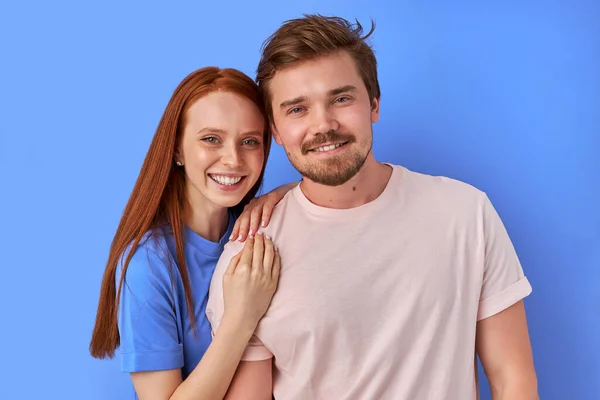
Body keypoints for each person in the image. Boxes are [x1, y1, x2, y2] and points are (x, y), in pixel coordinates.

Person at [206, 15, 539, 400]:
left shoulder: (466, 213)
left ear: (374, 104)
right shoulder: (249, 259)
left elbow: (513, 379)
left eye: (341, 99)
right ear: (276, 131)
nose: (323, 125)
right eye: (297, 109)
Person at [89, 66, 296, 400]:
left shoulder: (264, 228)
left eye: (250, 142)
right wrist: (242, 317)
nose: (233, 159)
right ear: (177, 149)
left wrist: (279, 194)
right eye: (211, 139)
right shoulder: (148, 265)